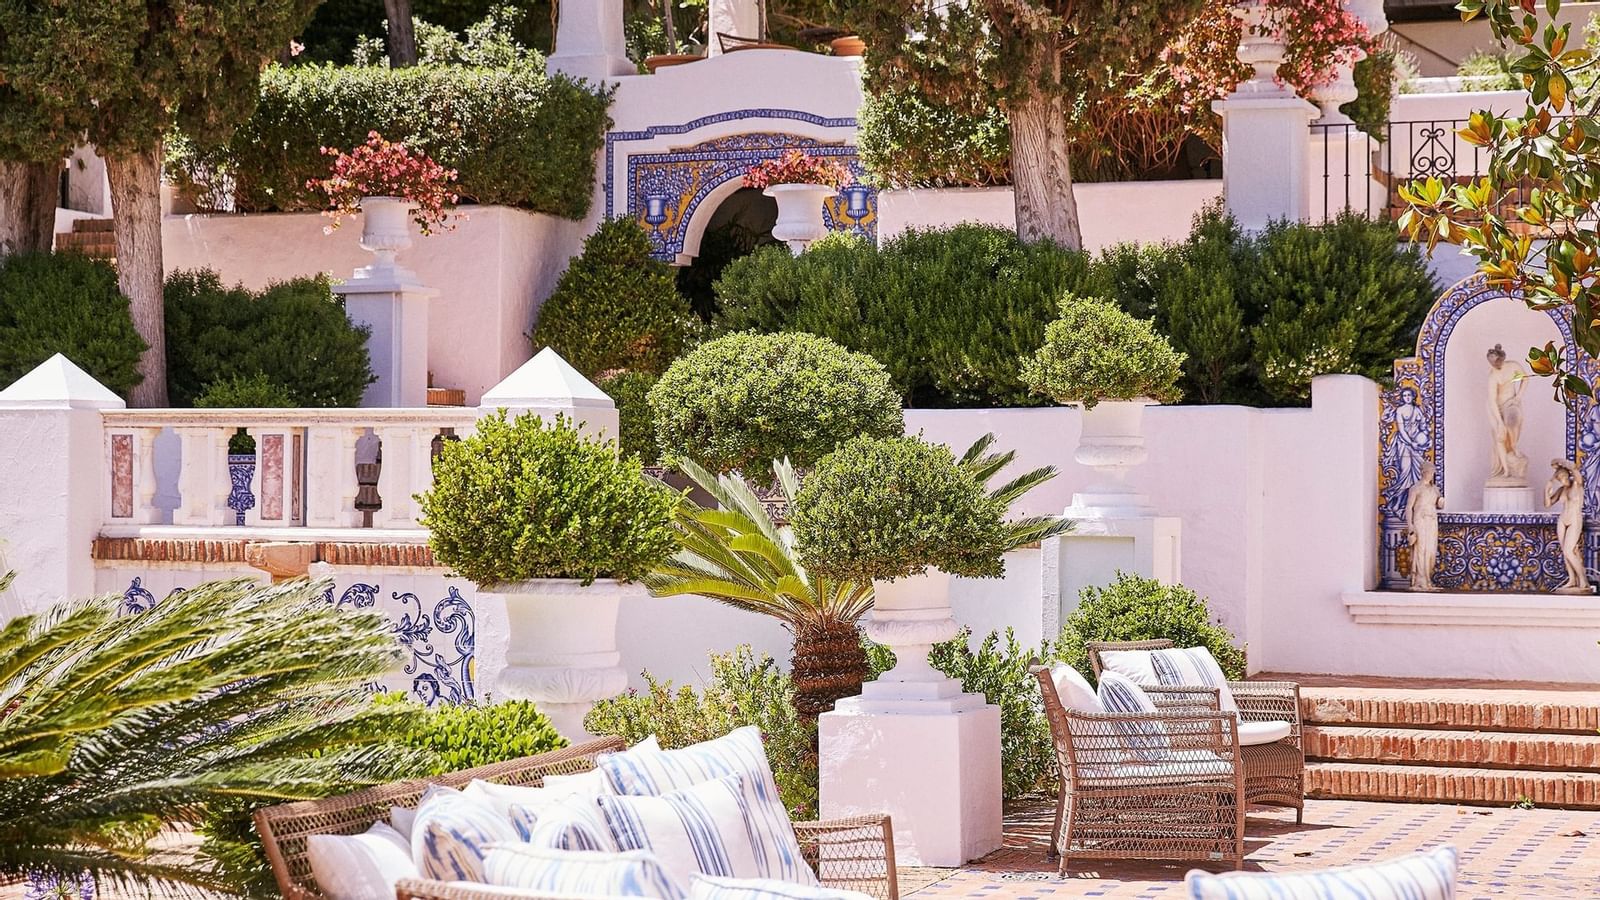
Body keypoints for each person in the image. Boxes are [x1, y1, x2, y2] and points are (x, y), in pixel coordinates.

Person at [1486, 344, 1528, 482]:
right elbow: (1492, 401)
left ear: (1502, 359)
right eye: (1493, 364)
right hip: (1495, 408)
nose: (1495, 366)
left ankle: (1514, 446)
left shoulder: (1513, 366)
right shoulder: (1493, 376)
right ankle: (1506, 470)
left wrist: (1518, 397)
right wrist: (1499, 422)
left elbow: (1525, 378)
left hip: (1511, 403)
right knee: (1500, 437)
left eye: (1497, 362)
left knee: (1514, 420)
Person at [1405, 461, 1443, 592]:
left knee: (1431, 550)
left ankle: (1428, 579)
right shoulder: (1416, 488)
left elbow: (1439, 505)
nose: (1431, 475)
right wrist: (1410, 526)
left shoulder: (1435, 489)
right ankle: (1420, 580)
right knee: (1421, 550)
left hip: (1431, 521)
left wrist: (1441, 502)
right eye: (1429, 472)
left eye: (1433, 472)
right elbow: (1409, 507)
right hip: (1420, 520)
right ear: (1423, 472)